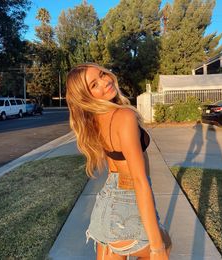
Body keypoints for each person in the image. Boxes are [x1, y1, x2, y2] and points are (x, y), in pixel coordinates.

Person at [66, 63, 172, 260]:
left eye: (102, 74)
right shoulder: (123, 115)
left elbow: (114, 167)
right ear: (86, 97)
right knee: (164, 245)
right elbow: (139, 180)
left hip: (109, 202)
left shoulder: (97, 118)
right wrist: (157, 248)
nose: (105, 82)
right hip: (127, 202)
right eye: (94, 85)